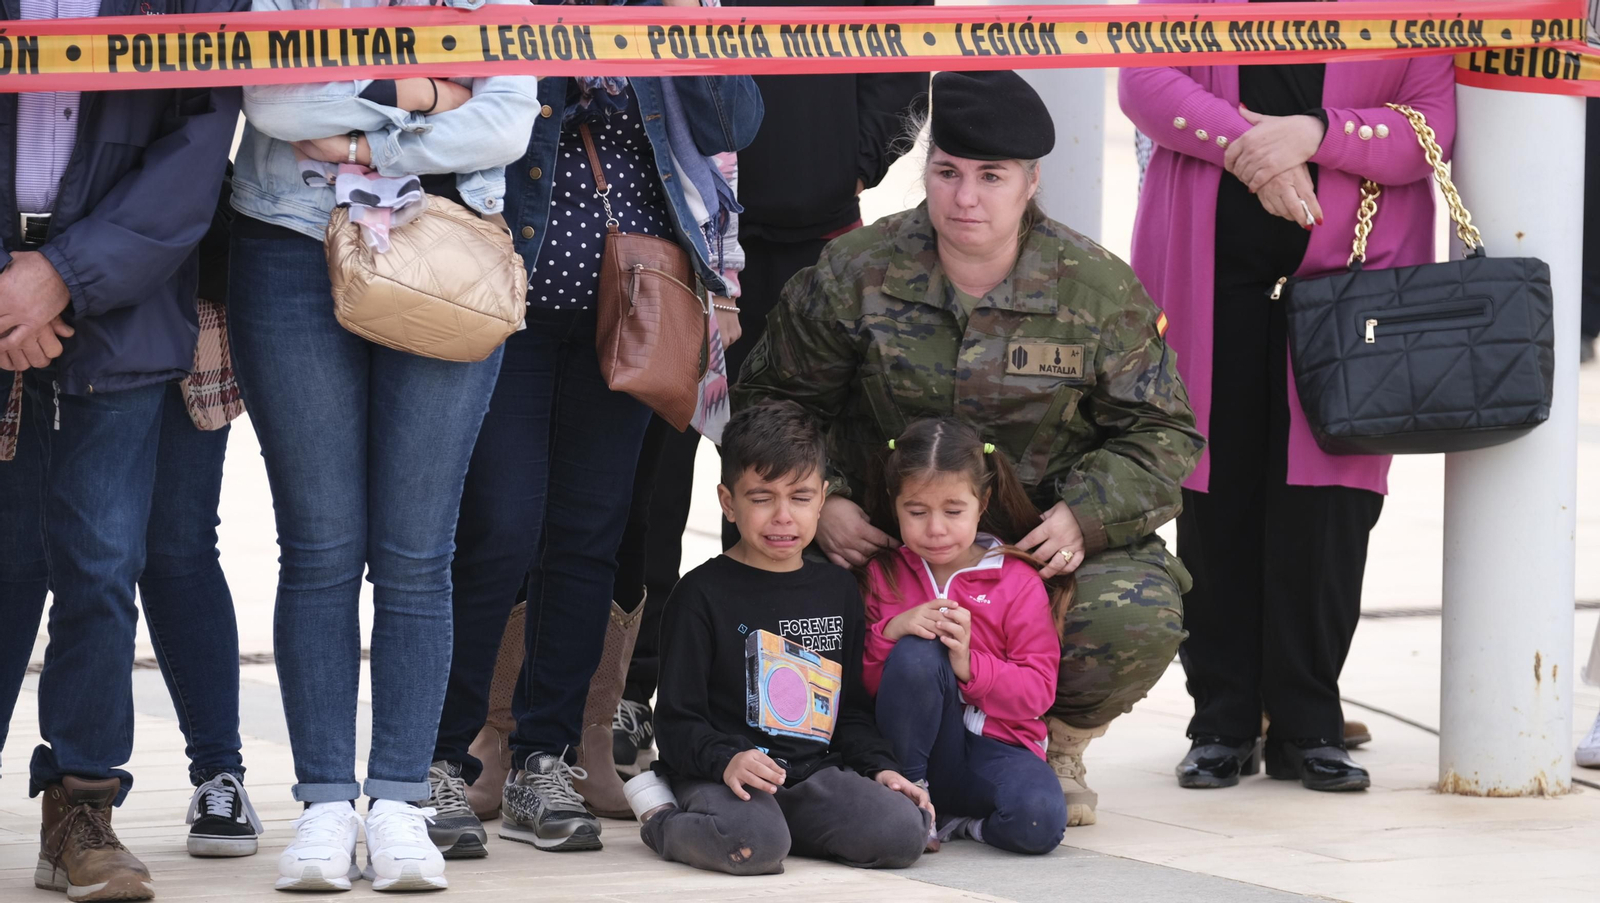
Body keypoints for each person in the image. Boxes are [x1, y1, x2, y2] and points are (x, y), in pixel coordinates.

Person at [733, 69, 1203, 828]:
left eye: (992, 177)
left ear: (1030, 181)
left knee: (1136, 610)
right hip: (882, 541)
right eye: (947, 172)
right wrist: (826, 502)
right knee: (777, 579)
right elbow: (772, 401)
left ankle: (1049, 739)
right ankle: (842, 740)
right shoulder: (859, 272)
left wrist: (1084, 516)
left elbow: (1163, 431)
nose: (965, 198)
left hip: (1029, 548)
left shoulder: (1094, 289)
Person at [423, 0, 763, 858]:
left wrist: (692, 27)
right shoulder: (498, 8)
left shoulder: (663, 13)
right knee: (499, 527)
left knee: (589, 532)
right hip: (499, 292)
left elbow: (738, 120)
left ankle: (545, 757)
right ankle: (442, 757)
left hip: (630, 309)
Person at [228, 0, 540, 890]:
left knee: (417, 550)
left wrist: (365, 141)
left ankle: (400, 800)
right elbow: (279, 104)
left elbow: (506, 123)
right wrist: (430, 92)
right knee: (320, 546)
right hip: (291, 244)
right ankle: (327, 803)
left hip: (450, 255)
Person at [1120, 0, 1457, 793]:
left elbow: (1431, 126)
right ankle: (1222, 721)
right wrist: (1251, 152)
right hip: (1210, 279)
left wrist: (1315, 133)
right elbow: (1143, 80)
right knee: (1216, 490)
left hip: (1355, 286)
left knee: (1329, 506)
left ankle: (1310, 721)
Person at [609, 0, 933, 780]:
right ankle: (628, 689)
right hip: (670, 227)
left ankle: (767, 714)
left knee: (778, 484)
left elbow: (904, 40)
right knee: (645, 482)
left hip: (804, 234)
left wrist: (845, 161)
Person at [0, 0, 243, 896]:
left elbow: (194, 150)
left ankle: (83, 811)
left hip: (127, 295)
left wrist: (61, 275)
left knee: (102, 562)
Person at [620, 401, 930, 875]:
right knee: (753, 845)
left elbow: (849, 715)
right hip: (723, 776)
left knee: (904, 832)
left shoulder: (839, 589)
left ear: (823, 499)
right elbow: (677, 724)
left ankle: (783, 829)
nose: (783, 516)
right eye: (762, 498)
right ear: (728, 502)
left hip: (812, 775)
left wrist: (881, 769)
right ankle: (661, 817)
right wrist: (727, 760)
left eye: (801, 497)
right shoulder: (699, 595)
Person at [863, 418, 1071, 854]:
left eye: (953, 511)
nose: (935, 528)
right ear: (894, 504)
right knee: (917, 651)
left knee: (1040, 821)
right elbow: (864, 688)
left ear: (984, 502)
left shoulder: (1016, 580)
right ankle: (912, 800)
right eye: (916, 512)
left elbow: (1038, 692)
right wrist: (891, 632)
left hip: (996, 750)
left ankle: (961, 824)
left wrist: (970, 666)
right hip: (912, 755)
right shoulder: (885, 575)